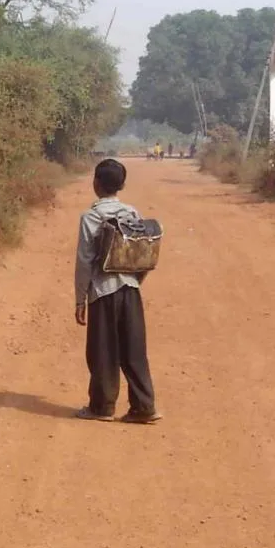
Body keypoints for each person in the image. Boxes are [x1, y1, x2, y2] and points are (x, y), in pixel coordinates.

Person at [73, 159, 160, 423]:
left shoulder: (90, 217)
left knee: (103, 350)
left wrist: (80, 300)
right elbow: (142, 251)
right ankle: (144, 407)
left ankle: (102, 407)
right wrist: (136, 280)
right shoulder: (131, 213)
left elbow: (84, 261)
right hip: (131, 289)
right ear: (121, 185)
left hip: (103, 290)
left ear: (96, 183)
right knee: (134, 350)